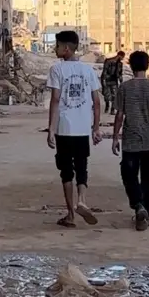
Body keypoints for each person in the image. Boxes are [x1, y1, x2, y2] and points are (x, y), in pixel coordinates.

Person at [46, 30, 101, 227]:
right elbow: (96, 101)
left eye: (58, 45)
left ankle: (70, 214)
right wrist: (96, 128)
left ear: (66, 49)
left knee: (66, 171)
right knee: (82, 167)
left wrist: (51, 129)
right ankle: (82, 201)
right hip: (83, 128)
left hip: (64, 128)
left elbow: (55, 100)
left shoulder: (57, 70)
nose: (55, 49)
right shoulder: (89, 71)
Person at [112, 50, 149, 231]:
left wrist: (114, 138)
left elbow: (119, 115)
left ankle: (138, 206)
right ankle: (146, 212)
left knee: (129, 175)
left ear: (131, 66)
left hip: (130, 139)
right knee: (148, 177)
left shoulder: (124, 88)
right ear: (147, 65)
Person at [101, 50, 125, 114]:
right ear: (120, 55)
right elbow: (104, 71)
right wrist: (103, 81)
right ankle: (107, 106)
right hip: (107, 80)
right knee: (106, 95)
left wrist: (121, 82)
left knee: (115, 95)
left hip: (114, 81)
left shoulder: (120, 64)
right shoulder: (108, 61)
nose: (122, 59)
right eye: (122, 57)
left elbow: (120, 74)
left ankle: (112, 110)